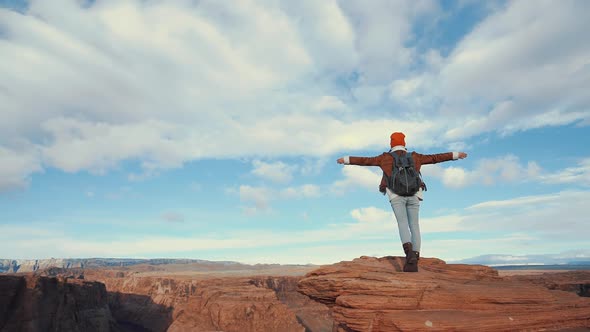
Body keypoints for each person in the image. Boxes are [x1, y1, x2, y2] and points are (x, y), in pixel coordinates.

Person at [336, 132, 467, 272]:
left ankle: (409, 253)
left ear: (391, 143)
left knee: (402, 223)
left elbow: (365, 161)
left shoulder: (384, 158)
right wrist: (455, 155)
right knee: (415, 225)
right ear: (404, 143)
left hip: (395, 195)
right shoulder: (415, 157)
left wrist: (346, 159)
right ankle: (415, 258)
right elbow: (435, 158)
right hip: (415, 193)